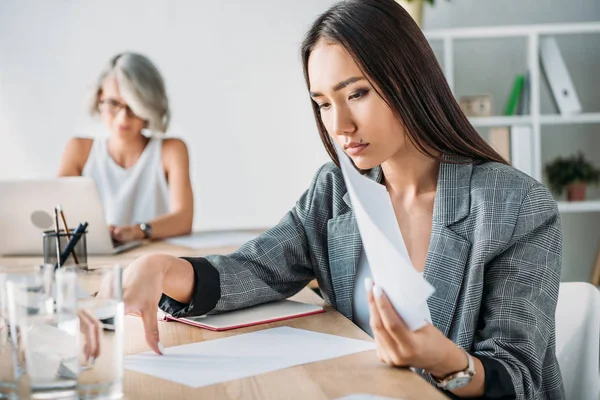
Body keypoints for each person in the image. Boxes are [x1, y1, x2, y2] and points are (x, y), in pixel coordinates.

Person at [102, 1, 564, 398]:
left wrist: (445, 361)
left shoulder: (517, 207)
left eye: (357, 93)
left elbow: (518, 376)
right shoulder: (336, 192)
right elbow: (255, 270)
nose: (339, 124)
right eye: (322, 103)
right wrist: (161, 267)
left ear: (410, 81)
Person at [58, 53, 193, 242]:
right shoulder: (79, 150)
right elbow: (60, 214)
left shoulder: (171, 150)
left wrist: (138, 231)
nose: (123, 118)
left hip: (155, 259)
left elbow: (183, 220)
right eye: (113, 103)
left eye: (133, 106)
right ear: (99, 99)